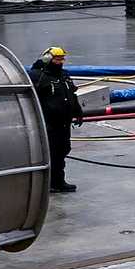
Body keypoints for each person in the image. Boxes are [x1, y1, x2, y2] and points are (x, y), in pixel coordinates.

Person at [30, 46, 82, 193]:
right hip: (49, 123)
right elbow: (32, 98)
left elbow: (71, 94)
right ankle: (49, 183)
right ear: (48, 59)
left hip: (64, 122)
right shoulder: (38, 76)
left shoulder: (64, 75)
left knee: (63, 150)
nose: (60, 62)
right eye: (57, 59)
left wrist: (77, 111)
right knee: (51, 152)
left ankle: (59, 181)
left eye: (62, 59)